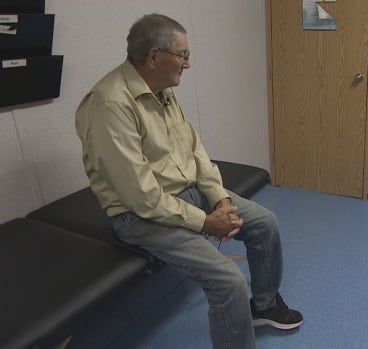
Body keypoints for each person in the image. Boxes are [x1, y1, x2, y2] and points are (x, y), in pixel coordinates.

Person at [75, 13, 302, 349]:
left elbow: (196, 152)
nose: (187, 64)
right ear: (155, 56)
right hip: (138, 216)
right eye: (182, 55)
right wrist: (207, 222)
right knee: (228, 282)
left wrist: (220, 200)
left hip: (188, 194)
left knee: (265, 223)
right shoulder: (110, 104)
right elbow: (141, 197)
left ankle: (264, 306)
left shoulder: (162, 90)